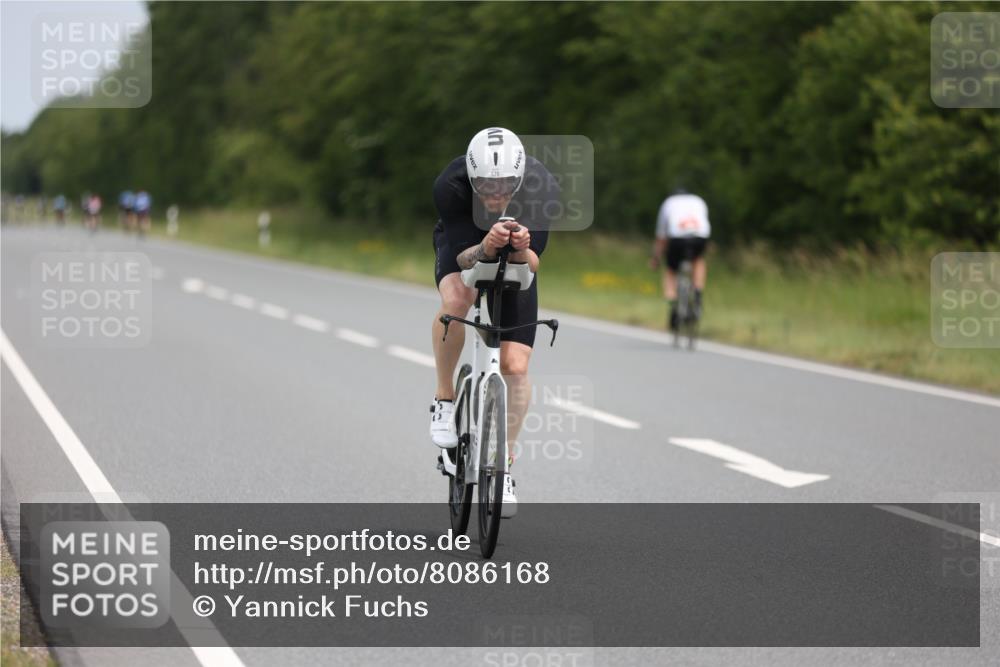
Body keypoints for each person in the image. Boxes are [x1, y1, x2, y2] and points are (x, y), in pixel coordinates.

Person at [429, 127, 559, 517]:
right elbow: (464, 259)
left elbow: (532, 265)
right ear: (471, 177)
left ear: (519, 180)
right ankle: (444, 399)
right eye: (485, 185)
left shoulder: (540, 187)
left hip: (517, 254)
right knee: (458, 298)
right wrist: (486, 245)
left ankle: (504, 466)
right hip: (465, 242)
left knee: (515, 365)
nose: (495, 194)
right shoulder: (451, 185)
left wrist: (520, 248)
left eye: (504, 186)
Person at [650, 189, 711, 330]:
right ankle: (697, 292)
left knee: (671, 270)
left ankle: (673, 303)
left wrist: (656, 259)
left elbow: (661, 238)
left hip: (678, 238)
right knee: (698, 260)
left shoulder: (668, 203)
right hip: (699, 237)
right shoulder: (698, 200)